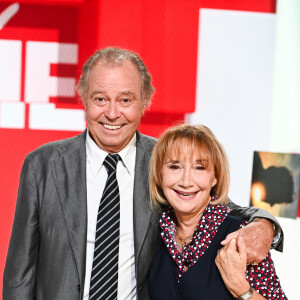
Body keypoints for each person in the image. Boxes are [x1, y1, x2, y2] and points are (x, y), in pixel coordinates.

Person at [3, 47, 282, 300]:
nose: (112, 113)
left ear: (144, 102)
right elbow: (20, 272)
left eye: (125, 100)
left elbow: (221, 207)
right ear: (84, 99)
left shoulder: (166, 161)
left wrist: (266, 227)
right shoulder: (43, 164)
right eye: (100, 98)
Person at [148, 124, 287, 300]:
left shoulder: (241, 234)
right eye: (175, 167)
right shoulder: (158, 231)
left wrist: (241, 288)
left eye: (199, 168)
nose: (185, 181)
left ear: (215, 177)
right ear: (160, 174)